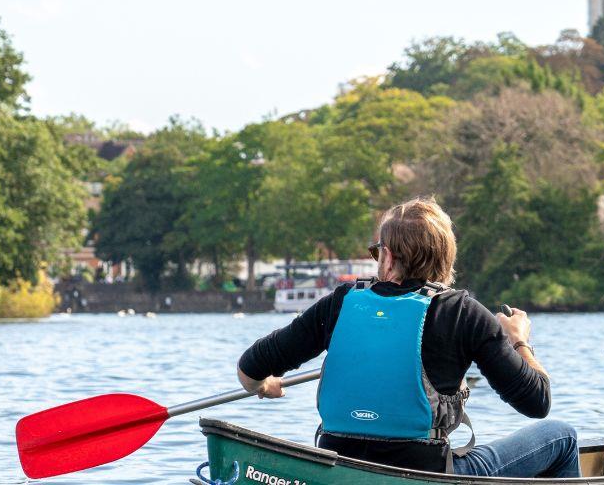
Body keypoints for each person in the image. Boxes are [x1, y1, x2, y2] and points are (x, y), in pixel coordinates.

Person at [236, 198, 579, 478]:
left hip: (341, 470)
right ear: (446, 256)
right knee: (562, 436)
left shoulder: (340, 304)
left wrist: (262, 385)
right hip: (426, 475)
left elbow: (249, 369)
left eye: (377, 251)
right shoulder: (463, 313)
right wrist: (519, 341)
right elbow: (538, 402)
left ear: (388, 256)